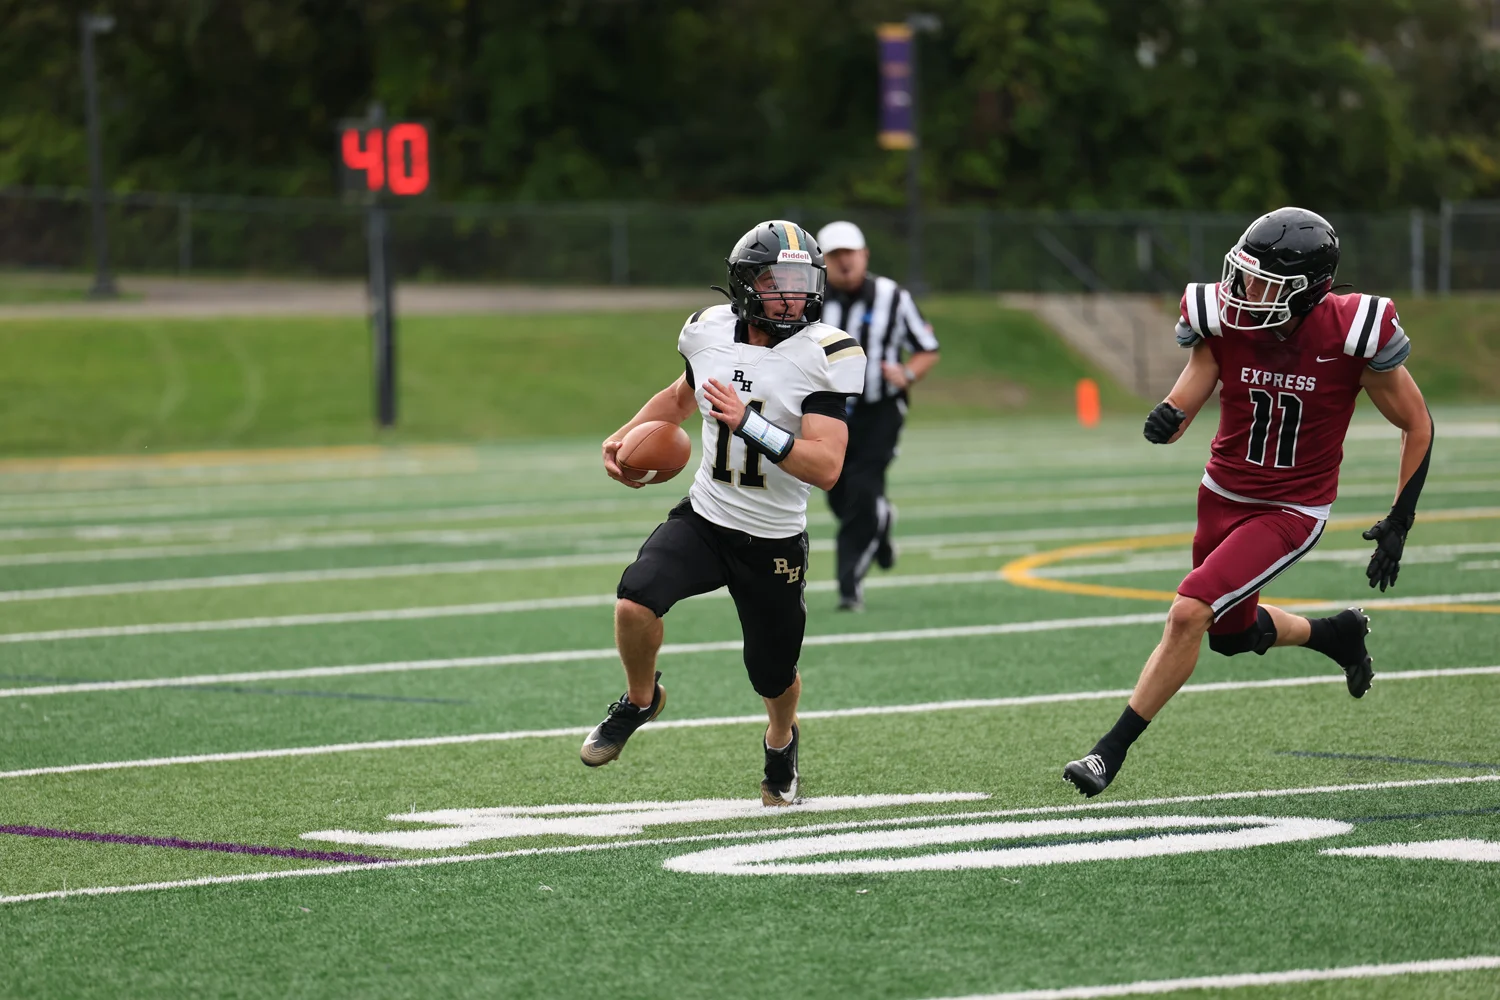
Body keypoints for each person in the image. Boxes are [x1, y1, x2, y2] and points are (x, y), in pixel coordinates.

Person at [1062, 206, 1434, 798]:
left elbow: (1416, 423)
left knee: (1189, 611)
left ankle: (1108, 752)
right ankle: (1336, 635)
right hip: (1220, 493)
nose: (1242, 292)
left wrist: (1400, 520)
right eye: (1241, 275)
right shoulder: (1226, 318)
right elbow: (1201, 371)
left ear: (1307, 293)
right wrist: (1173, 414)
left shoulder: (1352, 332)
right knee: (1230, 635)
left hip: (1290, 509)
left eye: (1262, 283)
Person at [586, 220, 866, 805]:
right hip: (707, 519)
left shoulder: (825, 355)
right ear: (744, 284)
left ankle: (781, 740)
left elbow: (827, 466)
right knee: (635, 598)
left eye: (800, 281)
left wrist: (750, 423)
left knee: (771, 672)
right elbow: (682, 396)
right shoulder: (709, 332)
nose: (791, 294)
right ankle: (640, 700)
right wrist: (625, 435)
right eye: (776, 281)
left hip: (774, 539)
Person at [814, 220, 941, 611]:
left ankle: (848, 585)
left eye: (850, 253)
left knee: (864, 489)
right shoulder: (811, 298)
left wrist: (906, 373)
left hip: (880, 409)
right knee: (837, 491)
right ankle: (880, 523)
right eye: (835, 256)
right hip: (827, 411)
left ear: (864, 255)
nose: (845, 262)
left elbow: (927, 347)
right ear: (823, 261)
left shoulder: (892, 296)